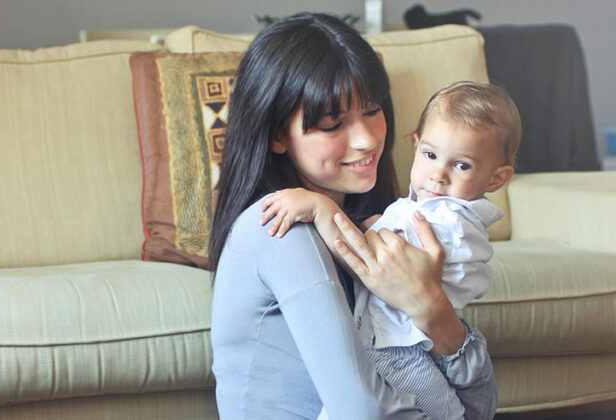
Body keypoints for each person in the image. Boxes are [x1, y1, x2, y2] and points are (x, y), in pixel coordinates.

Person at [209, 12, 498, 420]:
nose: (366, 140)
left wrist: (434, 311)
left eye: (372, 109)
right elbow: (361, 411)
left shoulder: (384, 229)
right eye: (332, 124)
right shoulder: (278, 229)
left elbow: (481, 408)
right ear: (277, 134)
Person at [261, 81, 521, 419]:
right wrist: (379, 224)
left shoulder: (446, 218)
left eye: (462, 165)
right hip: (414, 344)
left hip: (398, 350)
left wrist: (320, 208)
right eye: (430, 155)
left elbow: (367, 261)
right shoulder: (437, 212)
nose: (438, 175)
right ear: (416, 146)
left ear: (496, 179)